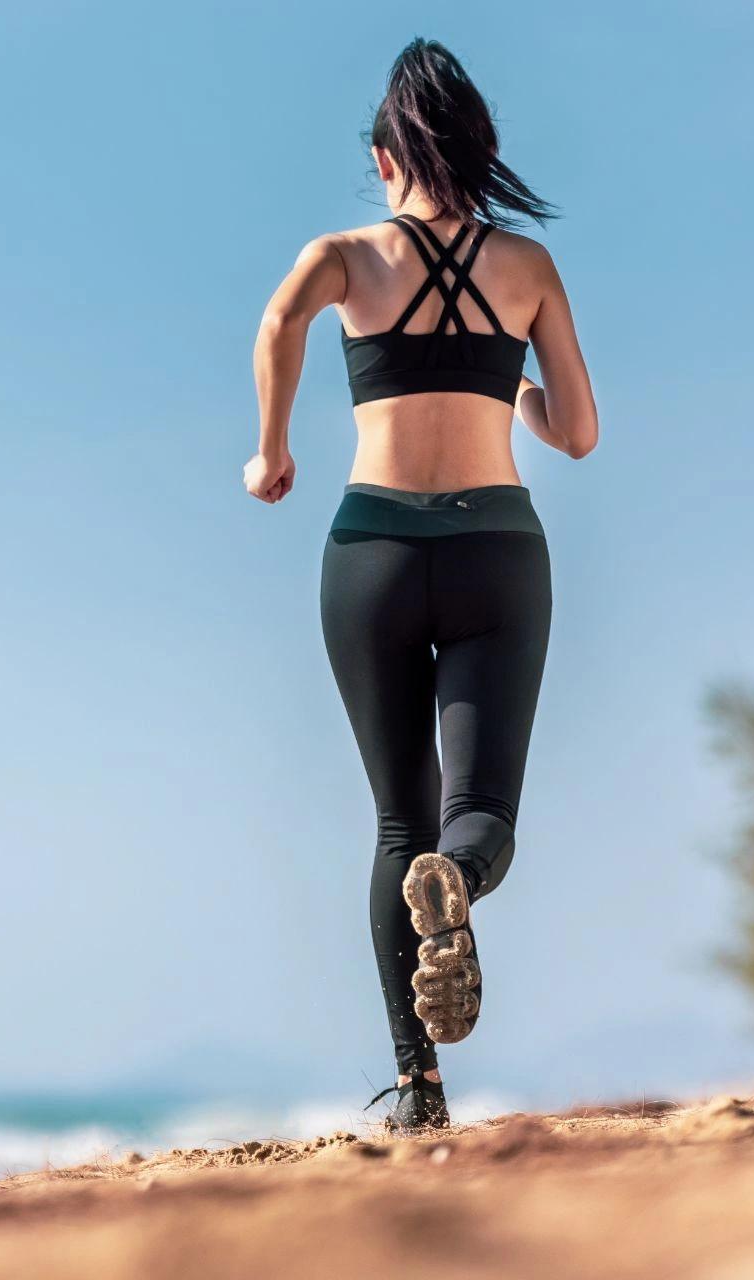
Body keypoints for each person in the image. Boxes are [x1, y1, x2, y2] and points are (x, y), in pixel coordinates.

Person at [241, 38, 598, 1131]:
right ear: (479, 155)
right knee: (474, 810)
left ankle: (420, 1091)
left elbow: (279, 320)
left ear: (387, 158)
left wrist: (272, 447)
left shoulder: (343, 255)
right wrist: (517, 387)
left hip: (372, 555)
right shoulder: (526, 268)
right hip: (495, 545)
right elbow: (577, 434)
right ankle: (462, 871)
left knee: (395, 821)